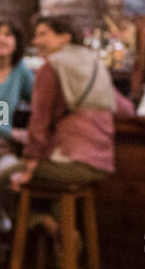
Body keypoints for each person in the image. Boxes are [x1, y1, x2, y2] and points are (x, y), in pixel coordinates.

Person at [10, 15, 133, 192]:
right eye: (36, 35)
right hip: (102, 162)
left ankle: (38, 220)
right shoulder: (95, 64)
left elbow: (40, 120)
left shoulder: (52, 65)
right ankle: (54, 219)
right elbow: (126, 109)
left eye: (43, 34)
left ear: (65, 37)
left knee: (6, 171)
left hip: (69, 158)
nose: (36, 41)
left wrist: (31, 157)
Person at [0, 20, 34, 242]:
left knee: (12, 173)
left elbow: (41, 101)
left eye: (8, 34)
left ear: (16, 43)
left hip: (2, 146)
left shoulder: (19, 71)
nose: (2, 38)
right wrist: (12, 133)